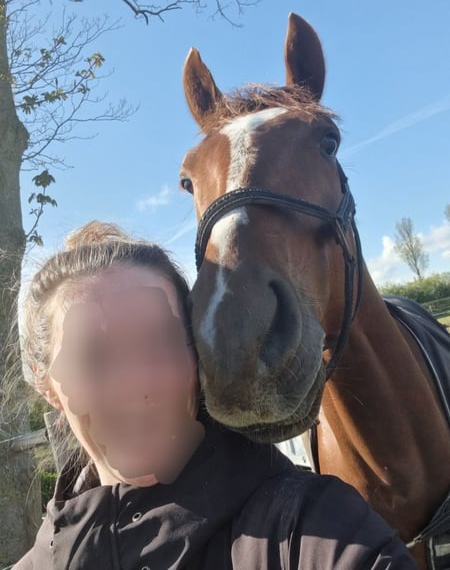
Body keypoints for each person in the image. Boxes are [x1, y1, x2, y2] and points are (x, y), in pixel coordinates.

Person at [13, 221, 417, 569]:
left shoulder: (309, 529)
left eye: (161, 342)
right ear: (47, 385)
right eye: (93, 358)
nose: (137, 386)